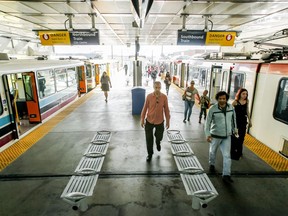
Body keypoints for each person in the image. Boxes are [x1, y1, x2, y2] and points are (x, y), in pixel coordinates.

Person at [205, 91, 238, 183]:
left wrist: (235, 129)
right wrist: (207, 134)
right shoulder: (212, 109)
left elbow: (233, 119)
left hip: (227, 136)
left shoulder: (231, 107)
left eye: (224, 98)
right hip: (215, 135)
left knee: (227, 155)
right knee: (212, 152)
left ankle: (226, 175)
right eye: (220, 99)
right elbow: (207, 123)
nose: (222, 100)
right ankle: (211, 164)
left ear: (226, 99)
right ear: (217, 99)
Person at [141, 81, 170, 162]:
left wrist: (168, 121)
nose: (157, 89)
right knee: (149, 139)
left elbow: (166, 110)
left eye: (159, 88)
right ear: (153, 87)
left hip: (159, 121)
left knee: (159, 136)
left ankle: (158, 142)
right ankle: (150, 154)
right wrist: (142, 119)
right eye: (156, 87)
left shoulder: (164, 97)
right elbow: (145, 108)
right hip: (149, 120)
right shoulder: (149, 97)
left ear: (161, 88)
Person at [231, 88, 252, 160]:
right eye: (243, 94)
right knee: (235, 137)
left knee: (242, 137)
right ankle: (233, 151)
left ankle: (239, 151)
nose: (245, 95)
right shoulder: (235, 102)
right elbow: (230, 111)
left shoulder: (247, 101)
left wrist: (250, 121)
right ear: (239, 94)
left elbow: (247, 111)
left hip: (243, 121)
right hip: (236, 122)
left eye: (246, 94)